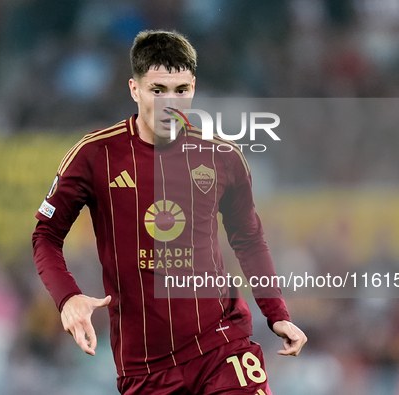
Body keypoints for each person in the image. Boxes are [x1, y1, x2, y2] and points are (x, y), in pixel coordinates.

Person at [32, 30, 307, 394]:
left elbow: (249, 239)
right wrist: (68, 298)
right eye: (157, 90)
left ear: (193, 86)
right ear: (135, 89)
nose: (170, 104)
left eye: (181, 91)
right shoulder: (95, 154)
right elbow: (46, 235)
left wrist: (277, 313)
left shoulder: (222, 157)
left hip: (222, 345)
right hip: (145, 367)